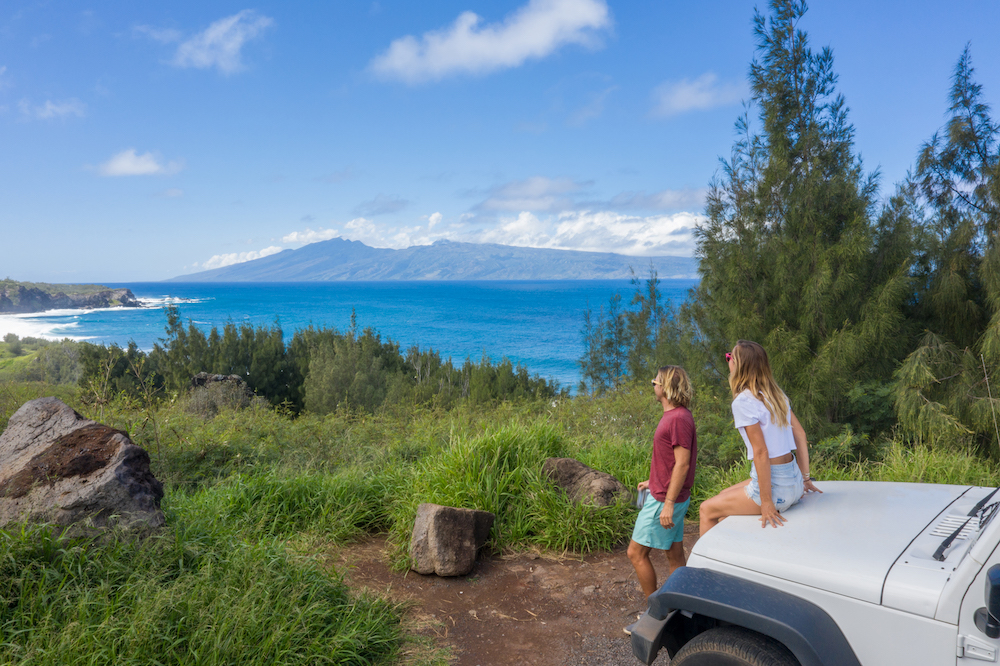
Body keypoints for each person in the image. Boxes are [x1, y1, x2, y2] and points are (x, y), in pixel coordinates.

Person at [699, 340, 821, 536]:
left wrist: (766, 502)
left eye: (730, 357)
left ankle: (701, 567)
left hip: (777, 489)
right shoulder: (776, 395)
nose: (727, 360)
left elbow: (761, 451)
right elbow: (800, 434)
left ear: (739, 366)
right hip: (795, 483)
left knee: (706, 509)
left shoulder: (744, 401)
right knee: (723, 498)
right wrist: (805, 479)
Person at [625, 365, 697, 633]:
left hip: (664, 500)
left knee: (636, 552)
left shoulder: (676, 419)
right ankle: (685, 609)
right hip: (665, 493)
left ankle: (654, 617)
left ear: (664, 388)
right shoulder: (677, 415)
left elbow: (682, 464)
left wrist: (667, 501)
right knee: (674, 552)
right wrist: (653, 480)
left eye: (654, 382)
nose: (652, 385)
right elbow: (670, 460)